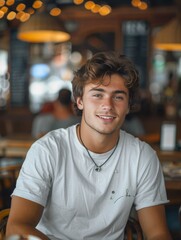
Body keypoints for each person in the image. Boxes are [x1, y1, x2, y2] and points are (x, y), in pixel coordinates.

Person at [6, 51, 172, 240]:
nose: (107, 105)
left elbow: (157, 233)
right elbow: (17, 227)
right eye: (97, 95)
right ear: (80, 101)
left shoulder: (142, 156)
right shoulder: (47, 150)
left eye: (118, 97)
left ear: (128, 105)